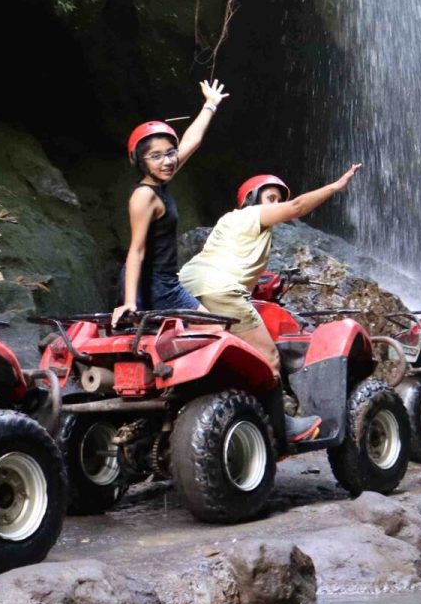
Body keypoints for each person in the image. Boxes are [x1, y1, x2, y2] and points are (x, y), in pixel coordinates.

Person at [177, 166, 363, 442]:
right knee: (269, 358)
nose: (278, 205)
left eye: (279, 199)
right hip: (221, 292)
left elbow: (232, 263)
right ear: (252, 200)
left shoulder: (229, 223)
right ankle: (281, 428)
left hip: (187, 290)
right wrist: (335, 187)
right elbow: (298, 206)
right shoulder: (253, 215)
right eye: (271, 198)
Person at [111, 80, 230, 326]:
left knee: (181, 334)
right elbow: (136, 249)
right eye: (155, 156)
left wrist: (210, 105)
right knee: (215, 327)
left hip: (164, 280)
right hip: (153, 283)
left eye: (170, 152)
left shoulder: (161, 180)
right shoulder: (145, 196)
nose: (166, 161)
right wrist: (130, 301)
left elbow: (191, 142)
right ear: (141, 162)